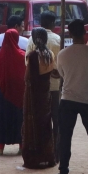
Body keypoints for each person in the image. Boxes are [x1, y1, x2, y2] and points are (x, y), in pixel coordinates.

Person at [51, 20, 88, 174]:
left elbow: (62, 74)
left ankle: (63, 173)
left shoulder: (63, 54)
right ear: (84, 33)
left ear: (70, 34)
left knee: (65, 137)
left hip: (68, 99)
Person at [20, 28, 58, 168]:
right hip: (45, 93)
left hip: (33, 95)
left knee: (32, 124)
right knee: (45, 123)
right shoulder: (50, 54)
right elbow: (53, 73)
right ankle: (47, 155)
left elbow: (28, 77)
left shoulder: (32, 56)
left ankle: (34, 157)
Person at [26, 11, 62, 148]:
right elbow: (59, 67)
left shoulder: (31, 40)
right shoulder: (57, 40)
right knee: (56, 117)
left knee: (39, 117)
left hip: (36, 88)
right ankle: (56, 147)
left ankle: (40, 146)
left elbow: (27, 64)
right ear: (53, 23)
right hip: (54, 86)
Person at [0, 29, 25, 156]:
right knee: (19, 120)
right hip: (18, 93)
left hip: (0, 93)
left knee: (0, 120)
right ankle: (22, 147)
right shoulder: (22, 55)